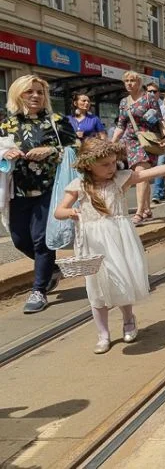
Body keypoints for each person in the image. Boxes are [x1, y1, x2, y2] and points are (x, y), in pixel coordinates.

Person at [54, 138, 165, 352]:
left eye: (114, 162)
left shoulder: (120, 179)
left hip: (119, 238)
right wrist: (71, 212)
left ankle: (128, 319)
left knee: (121, 282)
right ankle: (103, 334)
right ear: (88, 165)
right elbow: (58, 212)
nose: (112, 168)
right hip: (94, 243)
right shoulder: (79, 185)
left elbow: (151, 173)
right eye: (105, 164)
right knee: (96, 289)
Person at [1, 75, 77, 313]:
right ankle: (50, 268)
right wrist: (5, 154)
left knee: (41, 239)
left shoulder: (56, 120)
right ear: (18, 94)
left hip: (50, 189)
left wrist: (50, 150)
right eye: (29, 92)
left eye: (40, 92)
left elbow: (76, 147)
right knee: (19, 239)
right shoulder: (7, 124)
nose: (35, 96)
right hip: (17, 190)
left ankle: (38, 290)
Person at [110, 71, 165, 226]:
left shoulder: (149, 98)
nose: (129, 83)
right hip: (131, 141)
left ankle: (139, 213)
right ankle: (147, 210)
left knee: (140, 174)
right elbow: (121, 125)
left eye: (132, 80)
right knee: (143, 175)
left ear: (139, 82)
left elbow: (159, 120)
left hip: (148, 139)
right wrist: (111, 143)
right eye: (126, 81)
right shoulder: (123, 102)